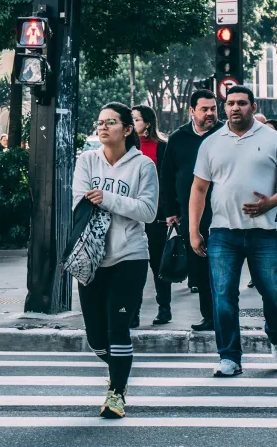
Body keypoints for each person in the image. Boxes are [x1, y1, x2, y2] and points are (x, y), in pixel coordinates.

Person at [189, 86, 277, 377]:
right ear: (224, 107)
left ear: (253, 106)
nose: (235, 108)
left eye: (242, 103)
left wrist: (273, 201)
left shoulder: (274, 139)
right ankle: (229, 357)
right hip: (222, 234)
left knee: (276, 293)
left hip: (264, 233)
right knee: (223, 296)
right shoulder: (211, 143)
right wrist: (193, 231)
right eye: (230, 103)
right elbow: (199, 189)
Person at [72, 102, 158, 419]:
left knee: (118, 327)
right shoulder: (87, 160)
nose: (103, 126)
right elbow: (79, 201)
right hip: (91, 258)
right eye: (100, 121)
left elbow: (148, 211)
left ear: (127, 129)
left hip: (130, 256)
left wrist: (106, 198)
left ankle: (116, 393)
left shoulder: (143, 166)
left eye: (111, 121)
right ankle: (119, 369)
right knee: (96, 338)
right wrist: (113, 202)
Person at [160, 89, 223, 331]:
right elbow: (166, 177)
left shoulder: (225, 134)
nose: (210, 113)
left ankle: (224, 315)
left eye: (213, 108)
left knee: (222, 266)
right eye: (204, 109)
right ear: (192, 111)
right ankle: (208, 315)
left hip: (223, 211)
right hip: (191, 214)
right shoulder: (178, 138)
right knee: (199, 267)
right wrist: (171, 211)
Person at [131, 104, 170, 327]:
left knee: (158, 265)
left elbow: (167, 182)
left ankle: (164, 308)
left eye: (136, 119)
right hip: (131, 216)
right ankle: (132, 312)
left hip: (156, 216)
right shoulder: (126, 149)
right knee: (133, 265)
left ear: (147, 123)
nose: (132, 123)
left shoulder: (161, 147)